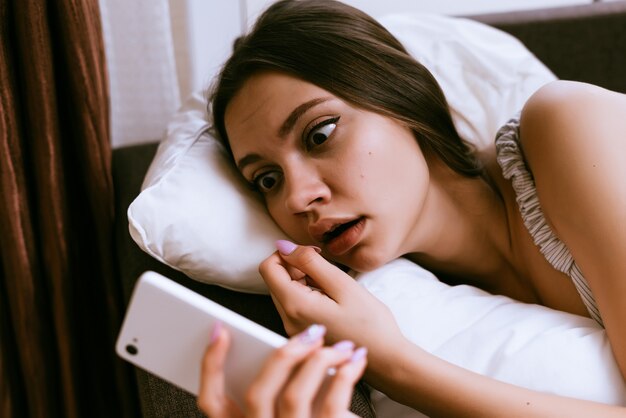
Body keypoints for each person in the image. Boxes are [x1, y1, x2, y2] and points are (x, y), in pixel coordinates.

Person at [197, 0, 626, 416]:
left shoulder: (569, 126)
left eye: (319, 134)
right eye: (268, 180)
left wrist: (395, 366)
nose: (296, 198)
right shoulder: (412, 309)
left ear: (402, 97)